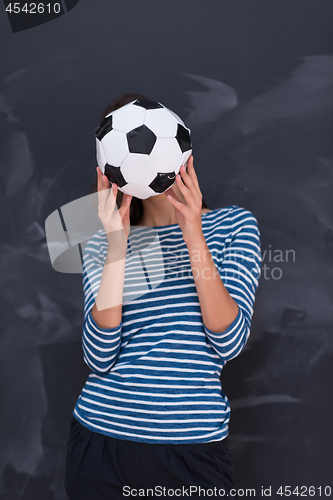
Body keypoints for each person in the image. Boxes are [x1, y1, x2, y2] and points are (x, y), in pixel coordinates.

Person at [64, 93, 261, 500]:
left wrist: (193, 233)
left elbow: (229, 341)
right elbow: (99, 356)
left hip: (193, 453)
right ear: (108, 166)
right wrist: (118, 247)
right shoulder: (102, 242)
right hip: (103, 443)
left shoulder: (234, 226)